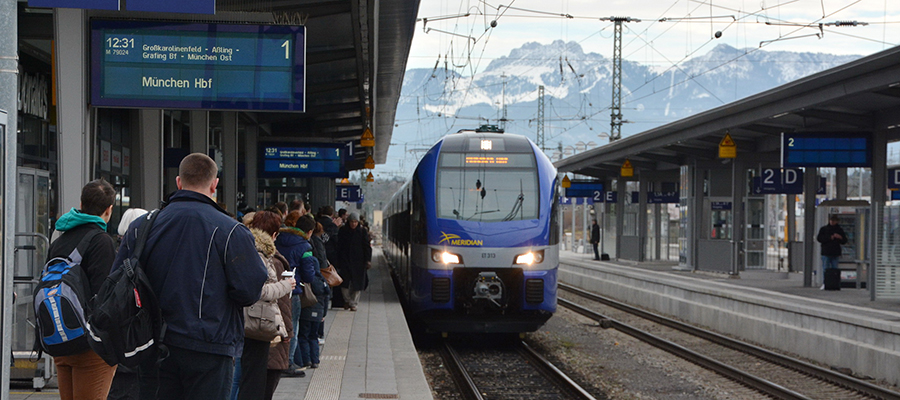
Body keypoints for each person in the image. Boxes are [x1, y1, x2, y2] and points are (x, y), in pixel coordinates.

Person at [114, 153, 268, 400]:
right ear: (214, 184)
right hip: (209, 346)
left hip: (152, 345)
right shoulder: (231, 231)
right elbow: (249, 291)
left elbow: (117, 281)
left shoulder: (141, 227)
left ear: (178, 182)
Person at [47, 179, 118, 400]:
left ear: (81, 203)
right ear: (109, 210)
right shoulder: (101, 241)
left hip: (61, 341)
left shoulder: (60, 240)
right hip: (90, 347)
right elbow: (104, 297)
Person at [237, 211, 295, 400]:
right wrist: (285, 286)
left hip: (248, 322)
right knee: (255, 382)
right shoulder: (262, 255)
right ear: (274, 234)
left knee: (246, 378)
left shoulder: (244, 249)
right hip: (259, 324)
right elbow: (260, 291)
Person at [274, 210, 319, 375]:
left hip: (274, 289)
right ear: (309, 232)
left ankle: (275, 360)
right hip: (293, 291)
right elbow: (308, 275)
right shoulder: (305, 246)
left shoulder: (278, 239)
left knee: (276, 326)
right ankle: (288, 362)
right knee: (292, 326)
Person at [295, 216, 329, 369]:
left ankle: (305, 360)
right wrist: (323, 314)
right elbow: (326, 292)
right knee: (313, 336)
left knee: (302, 335)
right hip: (318, 310)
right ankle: (315, 361)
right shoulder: (320, 280)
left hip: (305, 308)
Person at [336, 213, 372, 311]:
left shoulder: (362, 231)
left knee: (358, 284)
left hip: (359, 262)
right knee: (344, 283)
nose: (353, 224)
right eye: (352, 222)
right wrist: (338, 260)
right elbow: (339, 246)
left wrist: (368, 260)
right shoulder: (343, 231)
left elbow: (366, 247)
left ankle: (353, 303)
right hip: (345, 260)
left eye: (355, 222)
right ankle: (347, 300)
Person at [817, 214, 848, 289]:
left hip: (835, 252)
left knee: (835, 269)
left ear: (837, 221)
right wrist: (829, 238)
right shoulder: (824, 229)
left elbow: (844, 241)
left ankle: (835, 283)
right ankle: (825, 283)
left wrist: (840, 237)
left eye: (834, 221)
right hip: (826, 252)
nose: (832, 222)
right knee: (825, 269)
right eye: (831, 220)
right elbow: (819, 238)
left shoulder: (839, 230)